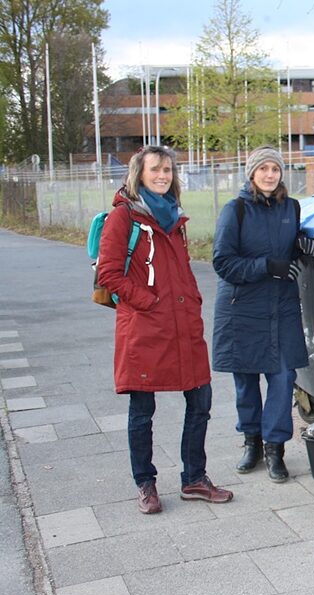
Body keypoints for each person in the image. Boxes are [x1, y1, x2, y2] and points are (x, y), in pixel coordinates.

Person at [97, 145, 233, 514]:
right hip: (145, 328)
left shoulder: (175, 217)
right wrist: (150, 302)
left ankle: (194, 478)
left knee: (200, 402)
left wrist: (191, 301)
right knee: (142, 409)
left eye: (168, 170)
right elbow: (108, 274)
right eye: (155, 169)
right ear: (139, 173)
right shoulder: (124, 218)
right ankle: (146, 483)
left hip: (183, 326)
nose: (162, 175)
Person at [212, 146, 310, 483]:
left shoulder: (291, 208)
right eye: (264, 168)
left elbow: (291, 251)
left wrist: (302, 249)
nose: (270, 175)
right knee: (246, 380)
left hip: (281, 304)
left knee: (283, 378)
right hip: (243, 306)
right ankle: (251, 441)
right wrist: (267, 266)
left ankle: (275, 448)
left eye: (276, 169)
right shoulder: (235, 210)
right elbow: (222, 262)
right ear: (251, 173)